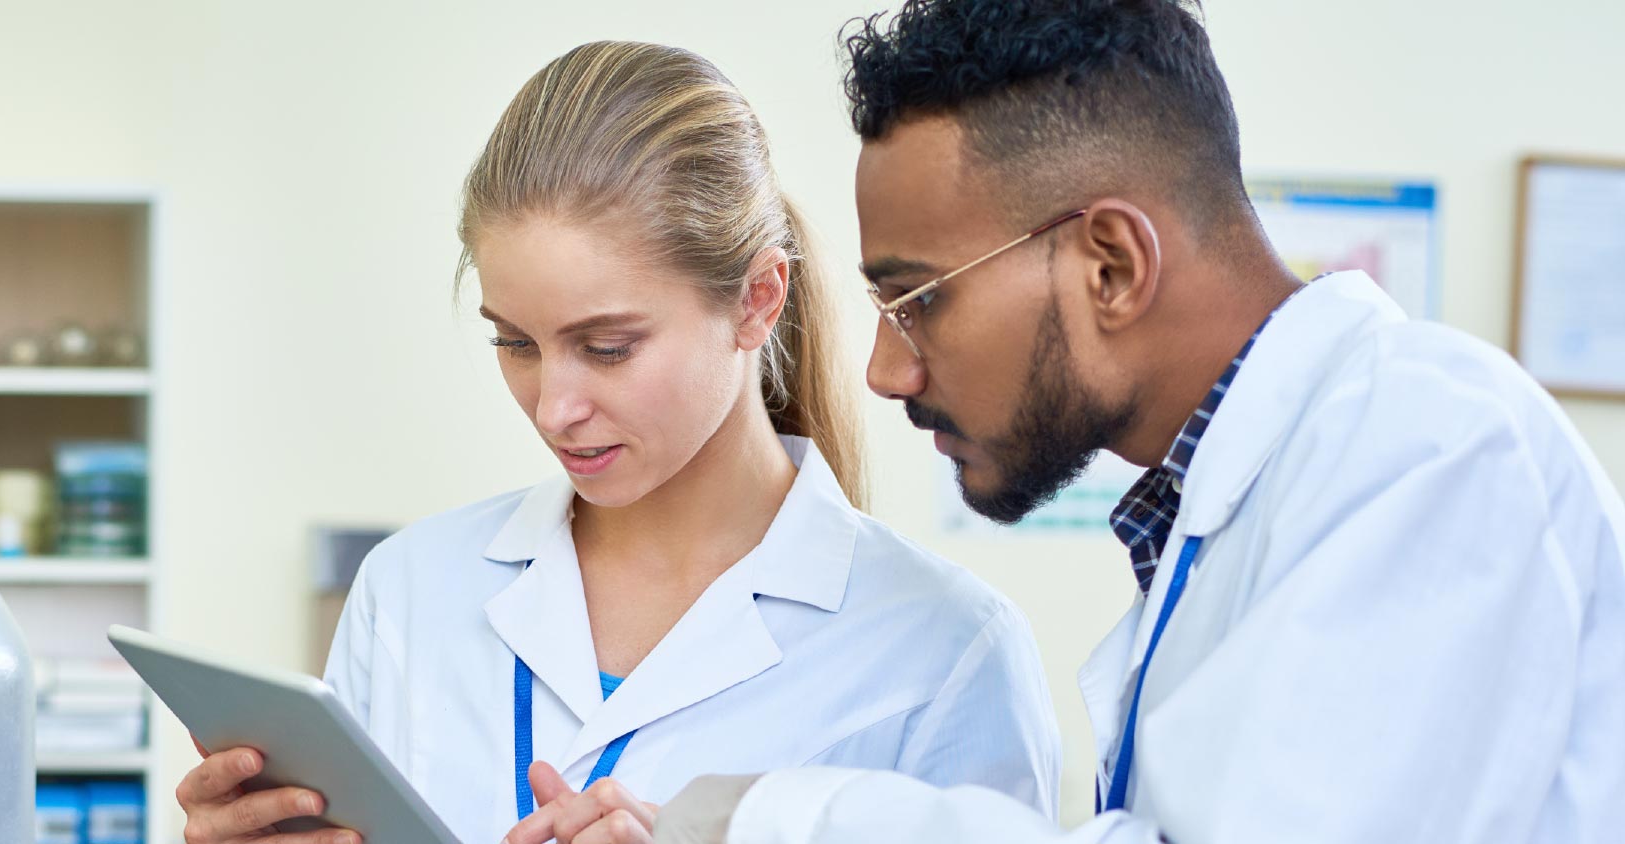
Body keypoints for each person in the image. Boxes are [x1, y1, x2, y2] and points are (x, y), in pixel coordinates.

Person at [528, 2, 1625, 842]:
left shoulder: (1432, 450)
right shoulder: (1231, 507)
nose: (884, 369)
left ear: (1110, 264)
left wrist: (765, 813)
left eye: (916, 299)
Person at [171, 41, 1064, 844]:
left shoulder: (944, 652)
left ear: (757, 299)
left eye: (607, 348)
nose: (554, 408)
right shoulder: (409, 594)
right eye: (514, 343)